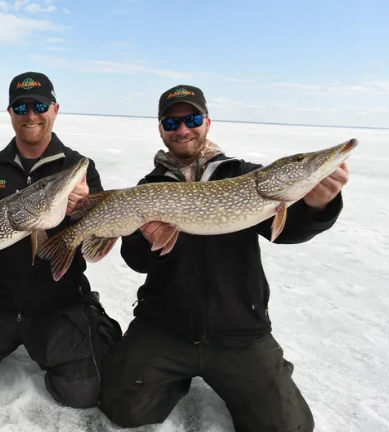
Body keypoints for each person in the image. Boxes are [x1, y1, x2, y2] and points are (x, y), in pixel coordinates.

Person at [97, 84, 350, 431]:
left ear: (207, 122)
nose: (183, 129)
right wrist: (149, 243)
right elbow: (136, 260)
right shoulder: (149, 186)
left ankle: (264, 373)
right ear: (161, 130)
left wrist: (319, 204)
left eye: (192, 119)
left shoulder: (245, 177)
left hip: (240, 332)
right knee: (122, 409)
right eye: (172, 123)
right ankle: (174, 374)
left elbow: (290, 230)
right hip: (165, 327)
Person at [0, 72, 123, 408]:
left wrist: (85, 209)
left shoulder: (77, 169)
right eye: (21, 107)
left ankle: (93, 326)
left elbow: (98, 240)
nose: (31, 115)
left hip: (57, 301)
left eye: (39, 105)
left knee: (85, 391)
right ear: (10, 113)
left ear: (55, 109)